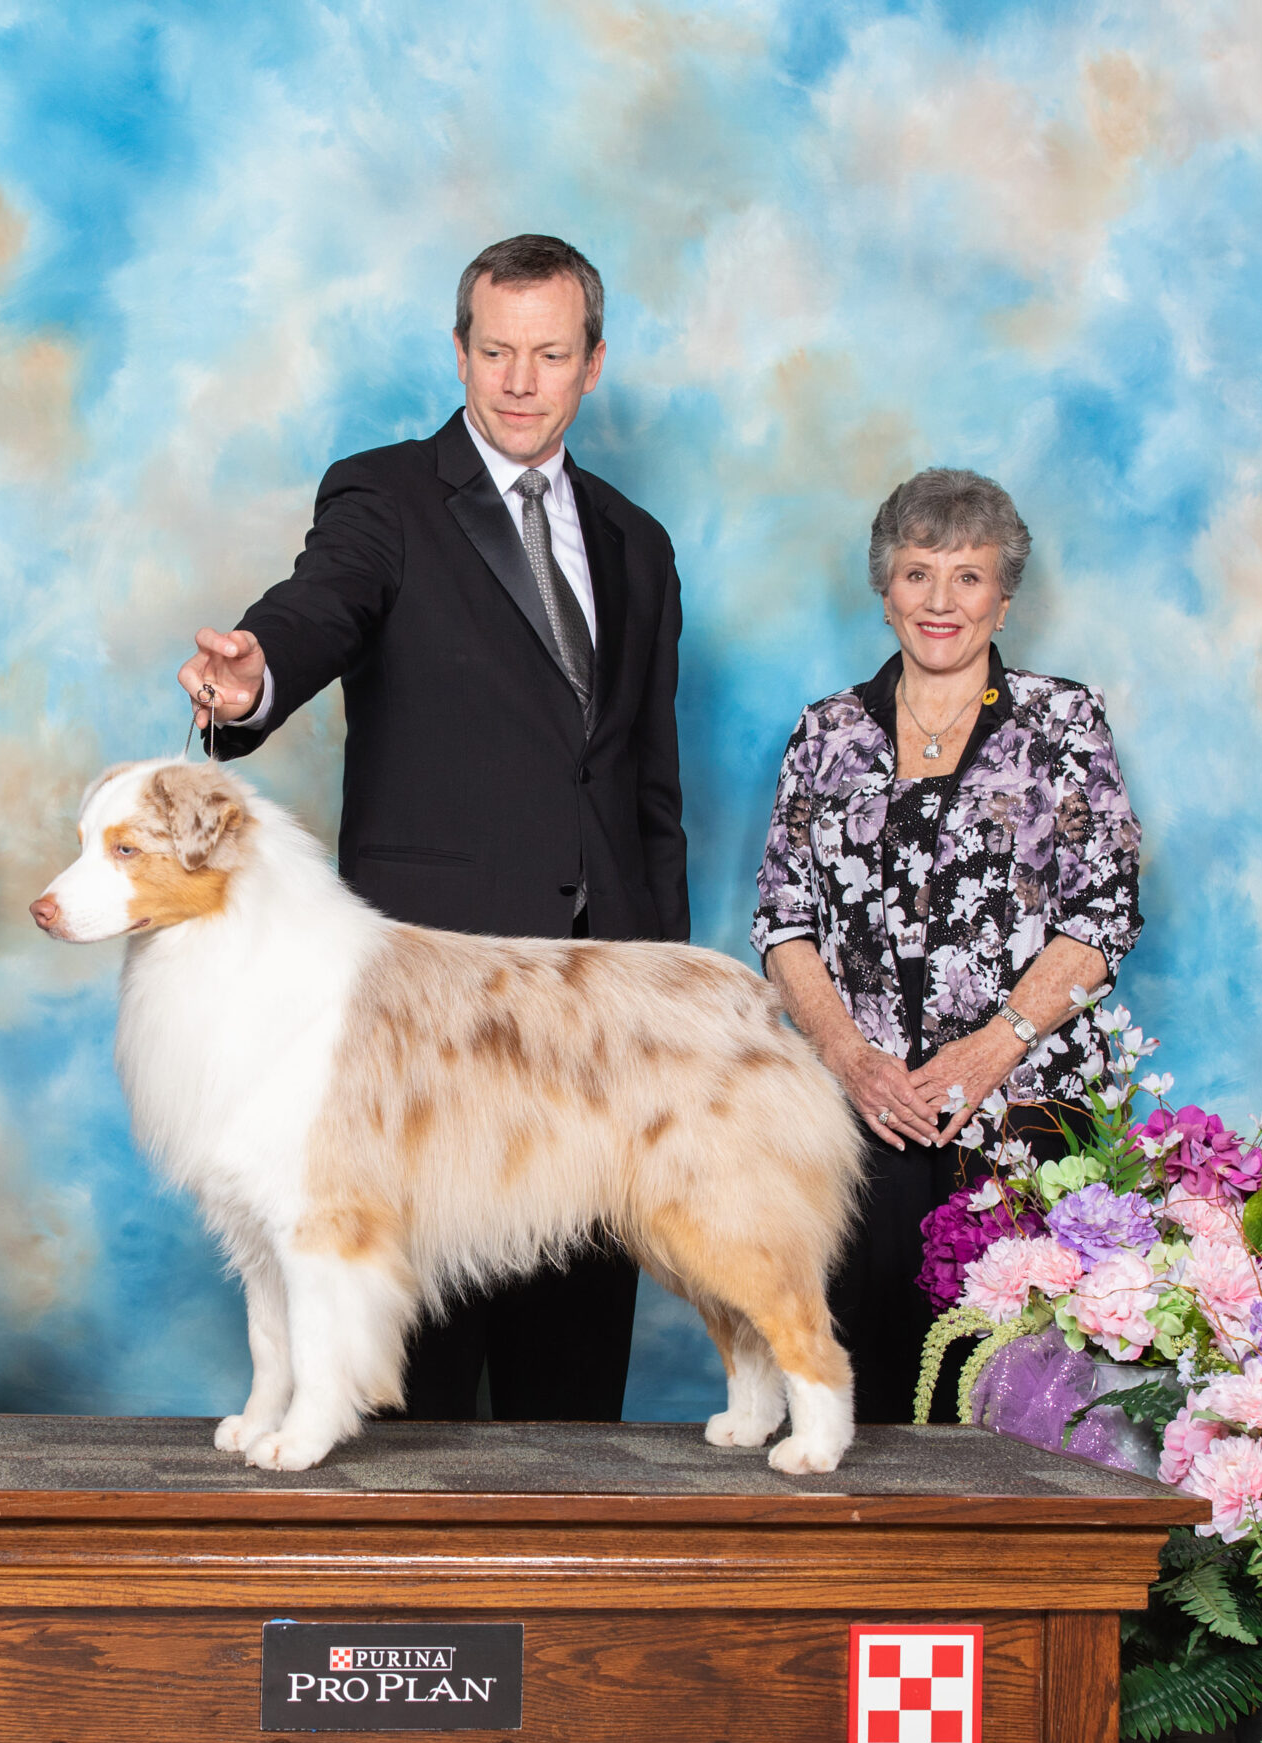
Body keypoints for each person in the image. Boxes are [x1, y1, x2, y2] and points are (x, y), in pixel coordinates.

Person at [176, 233, 683, 1424]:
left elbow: (648, 787)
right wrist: (253, 678)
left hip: (594, 1012)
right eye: (495, 351)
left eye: (548, 354)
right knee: (423, 1385)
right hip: (428, 1015)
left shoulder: (638, 542)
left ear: (592, 364)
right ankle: (406, 1610)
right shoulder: (383, 495)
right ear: (459, 351)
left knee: (573, 1389)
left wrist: (658, 982)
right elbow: (320, 605)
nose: (518, 380)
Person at [753, 468, 1142, 1421]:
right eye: (918, 572)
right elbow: (783, 919)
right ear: (886, 590)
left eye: (967, 577)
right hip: (864, 1112)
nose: (940, 601)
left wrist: (990, 1048)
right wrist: (848, 1058)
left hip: (1021, 1116)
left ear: (1003, 596)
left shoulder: (1063, 723)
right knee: (862, 1380)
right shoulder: (827, 733)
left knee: (1015, 1390)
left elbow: (1104, 911)